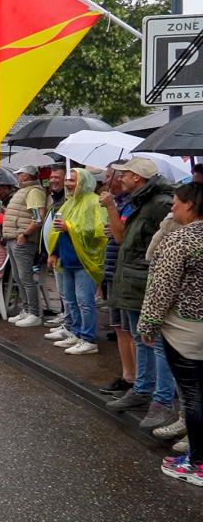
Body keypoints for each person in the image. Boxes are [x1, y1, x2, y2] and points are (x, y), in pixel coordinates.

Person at [104, 157, 178, 431]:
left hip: (147, 281)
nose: (119, 178)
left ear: (137, 178)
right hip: (135, 281)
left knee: (155, 342)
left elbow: (168, 242)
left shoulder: (159, 203)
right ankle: (143, 389)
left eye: (124, 174)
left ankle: (162, 401)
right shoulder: (142, 201)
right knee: (140, 337)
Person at [137, 183, 203, 486]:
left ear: (190, 205)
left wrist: (147, 324)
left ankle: (198, 463)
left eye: (176, 202)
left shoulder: (181, 239)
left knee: (193, 396)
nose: (172, 206)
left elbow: (161, 288)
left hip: (185, 330)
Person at [44, 168, 108, 355]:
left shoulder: (94, 203)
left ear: (84, 182)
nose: (68, 184)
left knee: (84, 302)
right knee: (70, 300)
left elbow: (98, 231)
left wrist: (70, 227)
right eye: (67, 180)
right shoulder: (68, 203)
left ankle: (88, 339)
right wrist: (53, 252)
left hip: (84, 262)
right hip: (66, 260)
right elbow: (57, 230)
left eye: (72, 180)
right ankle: (74, 331)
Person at [92, 165, 137, 397]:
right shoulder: (121, 203)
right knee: (119, 327)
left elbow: (121, 236)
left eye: (109, 177)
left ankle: (138, 381)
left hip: (124, 271)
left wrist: (110, 207)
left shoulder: (131, 204)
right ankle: (127, 375)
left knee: (131, 331)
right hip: (112, 270)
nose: (105, 181)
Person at [2, 165, 48, 327]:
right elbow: (24, 214)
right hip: (14, 238)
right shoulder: (25, 191)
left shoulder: (34, 191)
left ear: (27, 176)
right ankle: (27, 309)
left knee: (25, 278)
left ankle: (34, 313)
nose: (18, 176)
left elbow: (38, 215)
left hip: (22, 240)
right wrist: (4, 211)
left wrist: (25, 234)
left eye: (20, 174)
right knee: (18, 277)